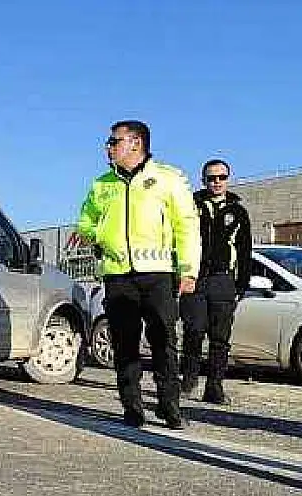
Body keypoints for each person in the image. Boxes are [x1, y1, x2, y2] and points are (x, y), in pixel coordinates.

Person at [78, 120, 201, 428]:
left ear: (135, 143)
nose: (108, 147)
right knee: (125, 343)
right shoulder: (101, 184)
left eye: (113, 141)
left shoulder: (168, 179)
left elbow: (186, 225)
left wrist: (189, 270)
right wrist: (99, 235)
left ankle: (170, 406)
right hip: (118, 275)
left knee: (163, 339)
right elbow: (85, 222)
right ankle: (132, 407)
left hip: (157, 274)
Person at [180, 159, 252, 404]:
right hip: (195, 279)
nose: (217, 182)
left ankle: (215, 387)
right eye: (211, 178)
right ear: (203, 181)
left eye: (221, 177)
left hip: (223, 281)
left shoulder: (238, 212)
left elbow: (245, 251)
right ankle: (188, 380)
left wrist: (241, 285)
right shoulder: (190, 207)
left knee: (220, 337)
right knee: (194, 330)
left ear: (228, 180)